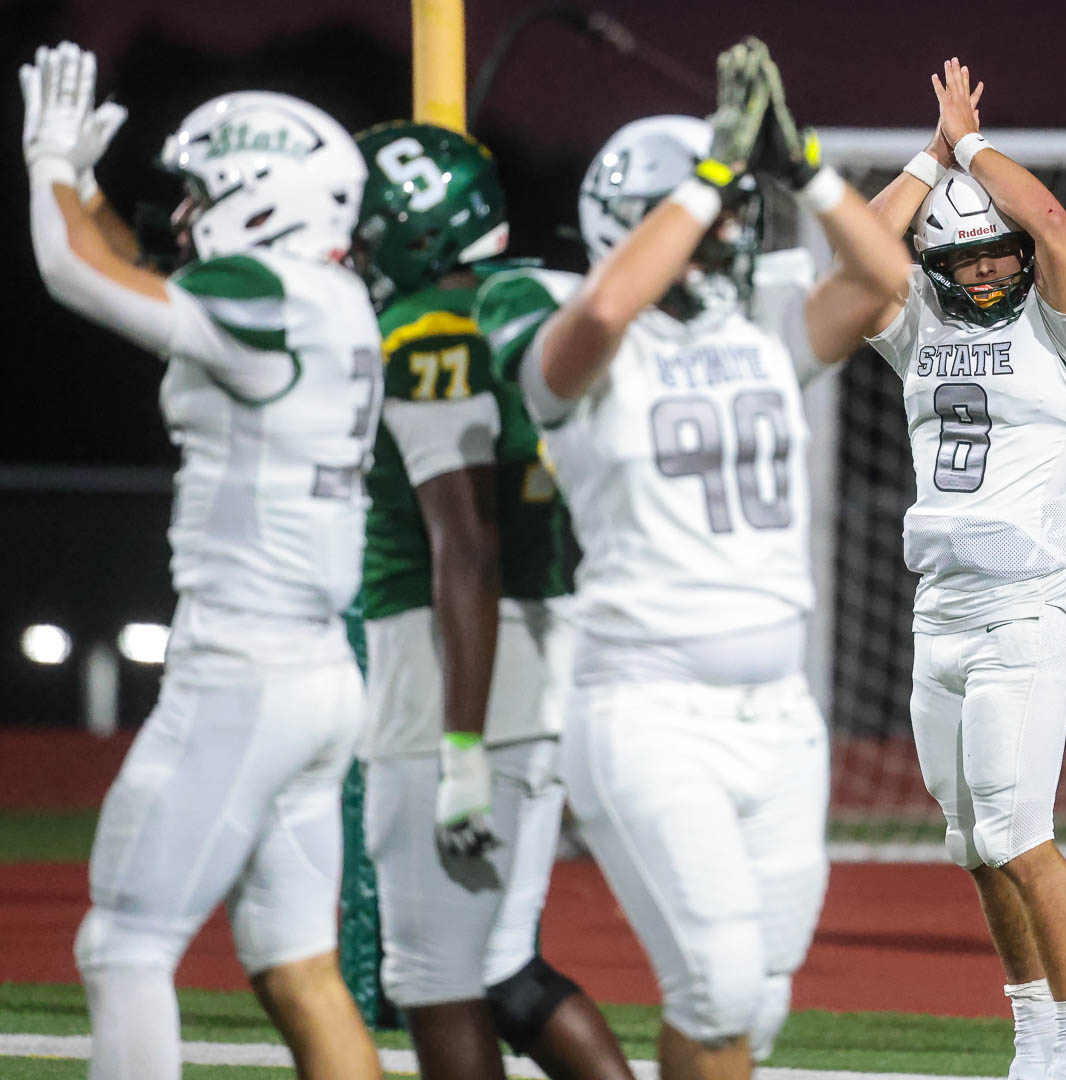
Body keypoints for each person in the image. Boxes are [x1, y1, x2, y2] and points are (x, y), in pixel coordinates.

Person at [473, 39, 909, 1080]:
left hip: (781, 713)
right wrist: (711, 175)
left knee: (757, 1001)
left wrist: (803, 168)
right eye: (708, 223)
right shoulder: (566, 339)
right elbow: (605, 308)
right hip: (648, 708)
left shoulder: (759, 334)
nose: (725, 244)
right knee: (713, 984)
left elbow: (885, 276)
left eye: (735, 223)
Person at [21, 43, 381, 1080]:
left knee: (124, 945)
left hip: (243, 672)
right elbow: (140, 278)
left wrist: (46, 164)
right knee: (298, 970)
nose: (183, 215)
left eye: (202, 193)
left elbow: (77, 275)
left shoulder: (267, 294)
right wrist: (85, 189)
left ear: (262, 198)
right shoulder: (322, 297)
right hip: (316, 674)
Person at [848, 58, 1066, 1080]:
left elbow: (1052, 221)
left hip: (1023, 608)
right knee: (971, 843)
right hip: (939, 611)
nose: (981, 274)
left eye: (994, 255)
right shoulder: (917, 329)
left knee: (1019, 834)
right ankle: (1035, 1037)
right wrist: (928, 163)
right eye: (962, 259)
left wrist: (968, 141)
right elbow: (854, 250)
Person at [350, 121, 635, 1080]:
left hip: (459, 675)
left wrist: (461, 744)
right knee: (504, 968)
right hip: (547, 656)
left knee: (434, 978)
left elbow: (465, 544)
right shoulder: (537, 299)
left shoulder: (431, 327)